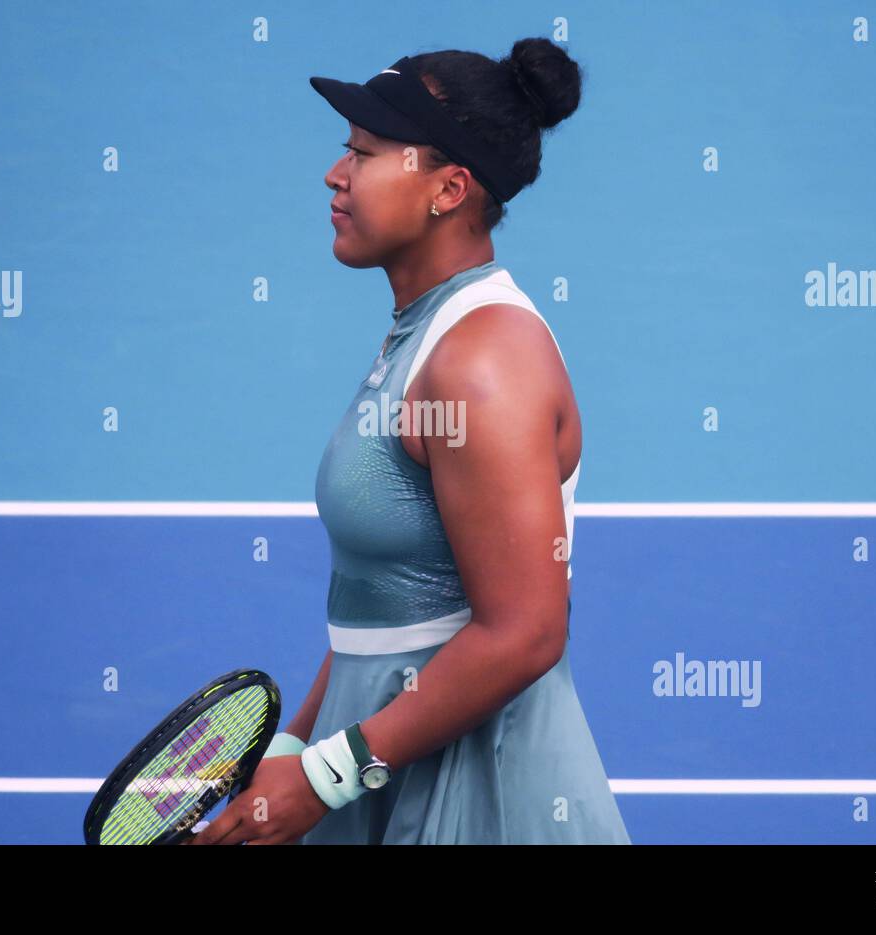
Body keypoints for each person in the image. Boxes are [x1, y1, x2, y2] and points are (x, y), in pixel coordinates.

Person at [190, 37, 630, 845]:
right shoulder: (419, 333)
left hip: (476, 788)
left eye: (363, 153)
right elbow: (383, 612)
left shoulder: (481, 361)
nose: (335, 173)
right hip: (380, 754)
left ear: (449, 188)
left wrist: (325, 777)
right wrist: (296, 748)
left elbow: (527, 630)